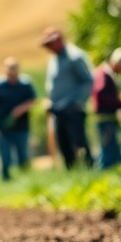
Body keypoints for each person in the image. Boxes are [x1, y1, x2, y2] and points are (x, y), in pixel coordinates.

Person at [40, 27, 94, 169]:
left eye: (49, 44)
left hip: (72, 111)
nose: (48, 48)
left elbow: (88, 81)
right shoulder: (53, 59)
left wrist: (76, 102)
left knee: (80, 146)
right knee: (65, 148)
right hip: (57, 111)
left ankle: (90, 174)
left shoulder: (74, 56)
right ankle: (73, 177)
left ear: (59, 40)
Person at [0, 57, 38, 181]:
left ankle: (26, 180)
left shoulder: (25, 84)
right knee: (5, 157)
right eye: (9, 69)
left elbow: (33, 99)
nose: (12, 72)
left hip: (21, 126)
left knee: (23, 155)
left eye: (14, 69)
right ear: (3, 69)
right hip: (2, 127)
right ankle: (6, 180)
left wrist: (21, 108)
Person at [93, 47, 121, 170]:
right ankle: (100, 177)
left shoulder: (107, 74)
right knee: (108, 153)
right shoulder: (104, 75)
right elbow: (101, 95)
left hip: (109, 119)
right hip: (105, 119)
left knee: (112, 150)